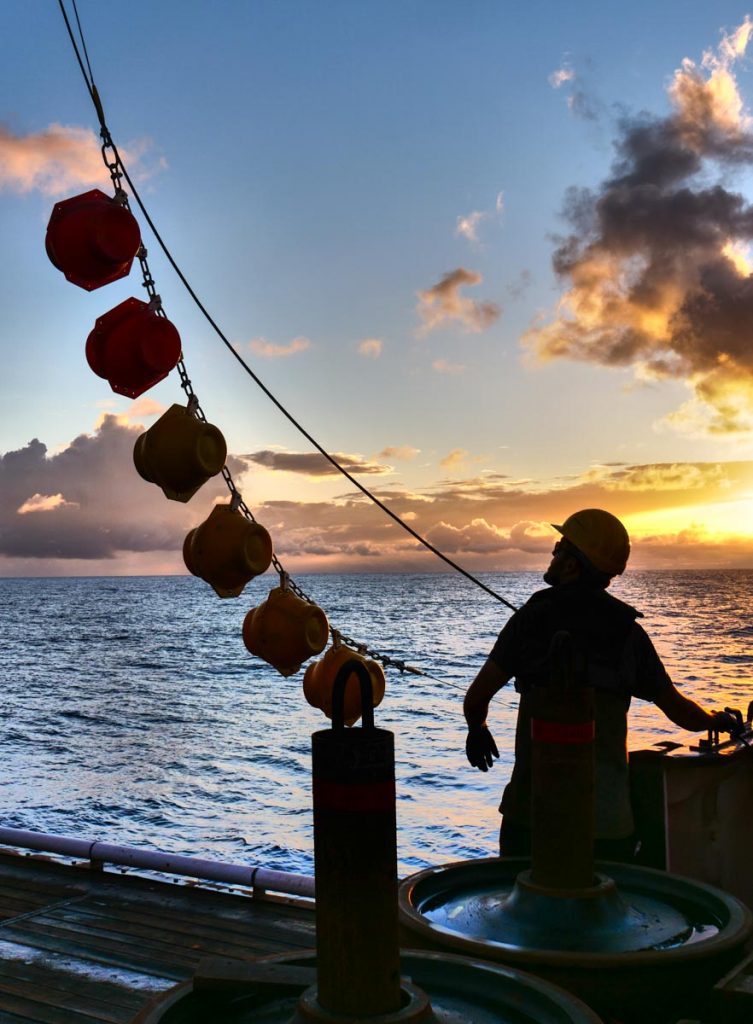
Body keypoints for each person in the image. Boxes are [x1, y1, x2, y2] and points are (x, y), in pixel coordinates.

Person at [463, 508, 740, 861]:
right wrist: (714, 720)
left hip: (531, 820)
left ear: (572, 566)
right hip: (607, 826)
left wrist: (478, 729)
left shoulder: (531, 620)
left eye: (559, 547)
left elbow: (476, 698)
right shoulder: (628, 633)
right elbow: (677, 708)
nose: (553, 552)